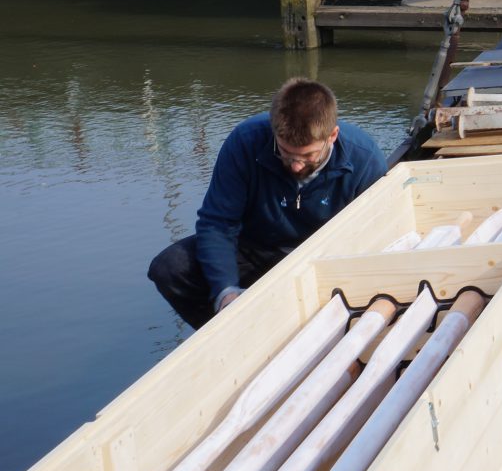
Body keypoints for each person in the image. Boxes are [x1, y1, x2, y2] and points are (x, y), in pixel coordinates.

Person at [148, 78, 387, 329]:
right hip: (258, 249)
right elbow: (218, 223)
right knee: (170, 267)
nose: (296, 166)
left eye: (308, 156)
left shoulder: (364, 159)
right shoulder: (244, 142)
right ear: (274, 132)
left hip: (325, 257)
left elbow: (376, 236)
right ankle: (232, 335)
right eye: (286, 153)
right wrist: (225, 290)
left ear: (332, 136)